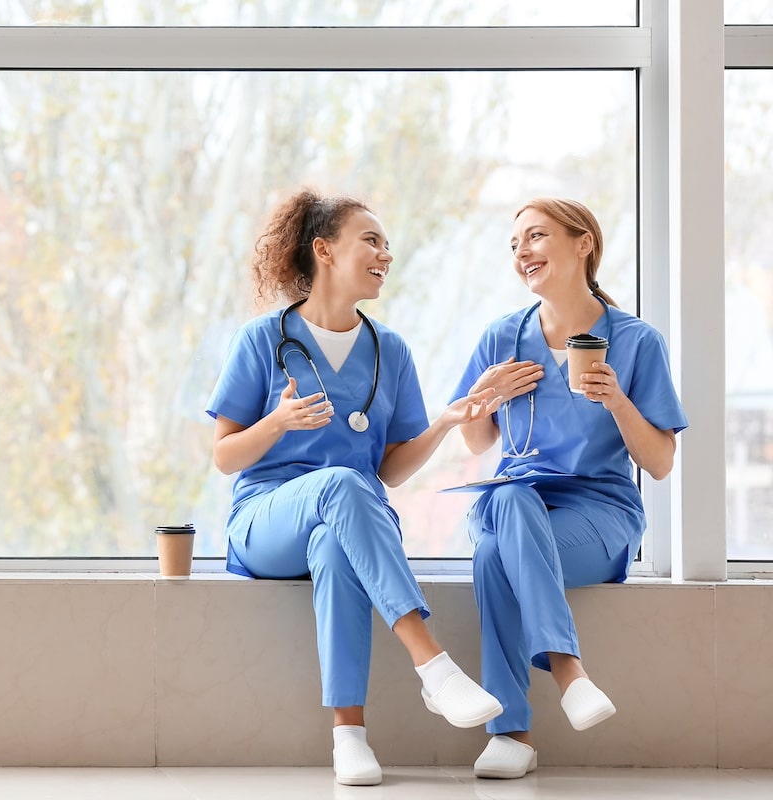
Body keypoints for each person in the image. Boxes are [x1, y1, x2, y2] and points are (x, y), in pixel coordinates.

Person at [206, 189, 506, 787]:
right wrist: (277, 423)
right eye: (371, 240)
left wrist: (446, 423)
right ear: (323, 250)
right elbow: (223, 456)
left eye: (387, 245)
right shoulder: (262, 341)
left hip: (348, 521)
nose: (385, 254)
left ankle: (349, 737)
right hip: (266, 519)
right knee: (341, 483)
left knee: (338, 546)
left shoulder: (389, 351)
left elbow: (390, 470)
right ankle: (432, 663)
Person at [450, 197, 688, 779]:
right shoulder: (502, 337)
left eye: (535, 237)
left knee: (491, 555)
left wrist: (618, 401)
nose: (522, 253)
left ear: (584, 243)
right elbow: (477, 442)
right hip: (514, 504)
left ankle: (510, 734)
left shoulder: (636, 342)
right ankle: (570, 674)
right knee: (507, 499)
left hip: (598, 516)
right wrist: (488, 394)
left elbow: (659, 462)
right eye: (514, 245)